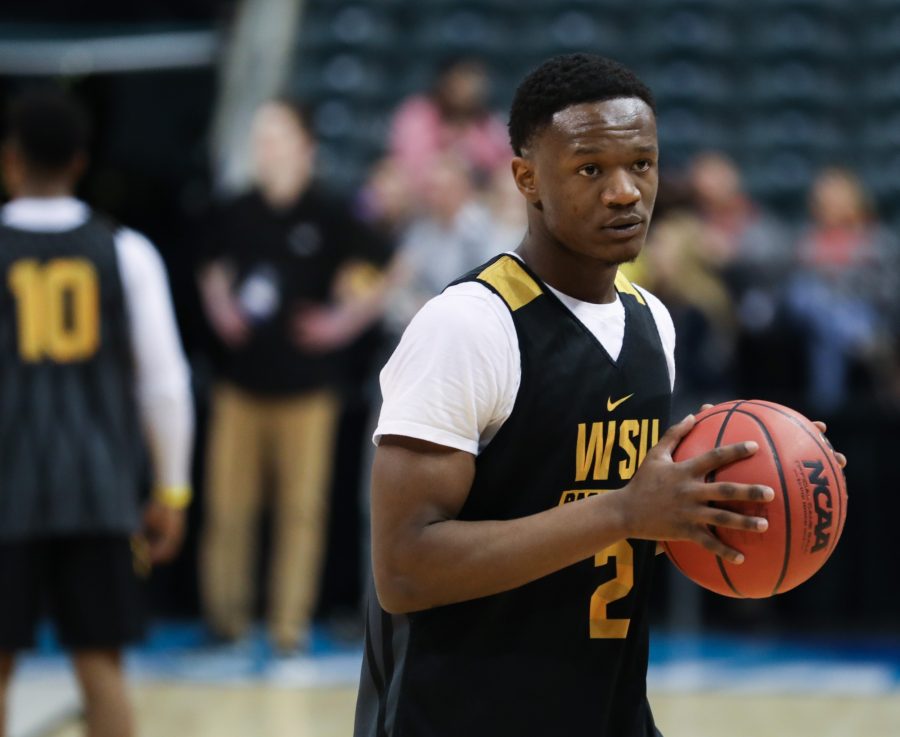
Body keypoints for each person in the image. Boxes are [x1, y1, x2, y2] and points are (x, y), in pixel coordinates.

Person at [354, 54, 844, 737]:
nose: (624, 191)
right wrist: (622, 512)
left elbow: (622, 522)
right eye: (591, 169)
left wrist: (757, 483)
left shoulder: (652, 323)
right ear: (527, 178)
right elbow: (404, 569)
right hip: (460, 715)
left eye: (641, 165)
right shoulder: (468, 325)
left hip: (604, 710)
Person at [0, 89, 193, 737]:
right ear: (81, 162)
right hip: (99, 489)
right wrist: (171, 487)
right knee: (100, 663)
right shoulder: (126, 250)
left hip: (6, 487)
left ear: (9, 161)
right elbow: (164, 383)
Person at [197, 98, 390, 654]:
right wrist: (219, 305)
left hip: (309, 388)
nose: (265, 149)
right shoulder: (235, 209)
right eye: (259, 139)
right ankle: (224, 620)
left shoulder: (330, 212)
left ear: (305, 147)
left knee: (301, 512)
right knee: (228, 507)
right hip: (240, 383)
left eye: (275, 137)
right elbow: (208, 264)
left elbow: (391, 264)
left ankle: (288, 627)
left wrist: (341, 321)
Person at [388, 56, 511, 193]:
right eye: (462, 80)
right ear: (446, 82)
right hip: (422, 194)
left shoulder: (488, 122)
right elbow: (410, 163)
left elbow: (500, 163)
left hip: (475, 198)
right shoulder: (418, 114)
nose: (470, 89)